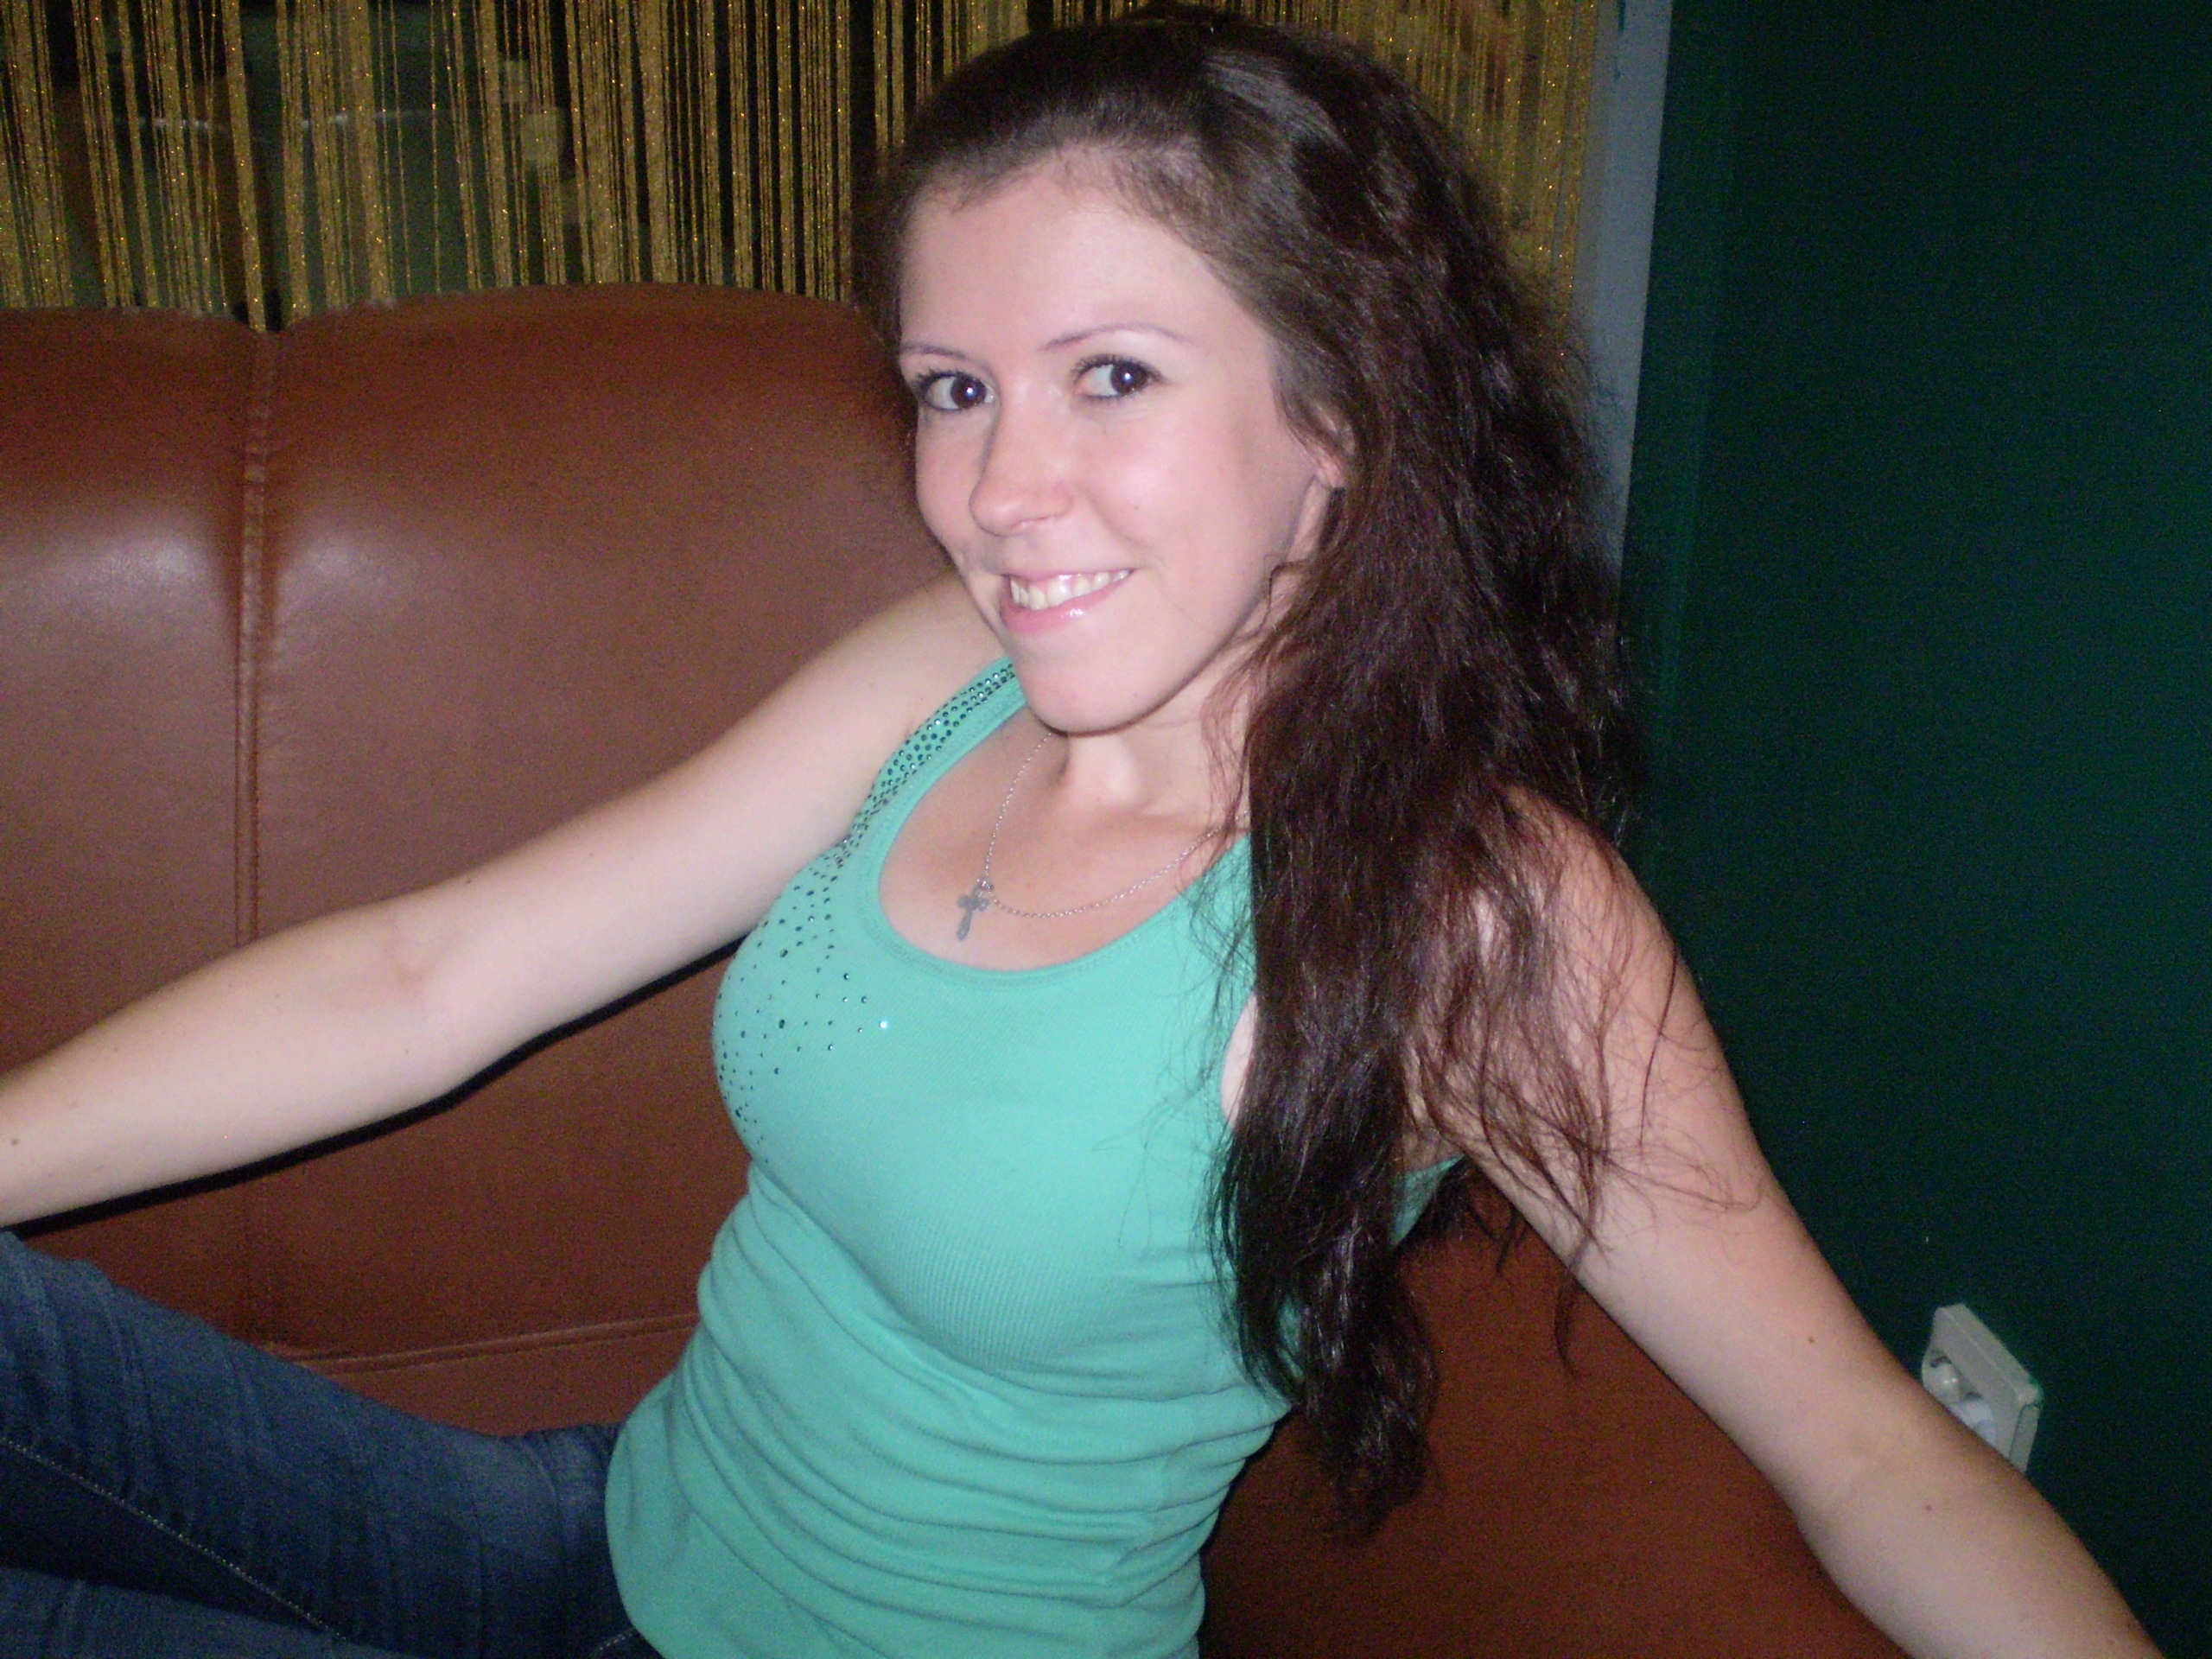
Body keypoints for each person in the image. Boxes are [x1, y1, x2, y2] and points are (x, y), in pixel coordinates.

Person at [0, 9, 2158, 1658]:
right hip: (600, 1532)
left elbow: (1861, 1448)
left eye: (1109, 374)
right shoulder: (945, 673)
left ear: (1336, 412)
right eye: (955, 387)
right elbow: (428, 975)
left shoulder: (1462, 916)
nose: (996, 491)